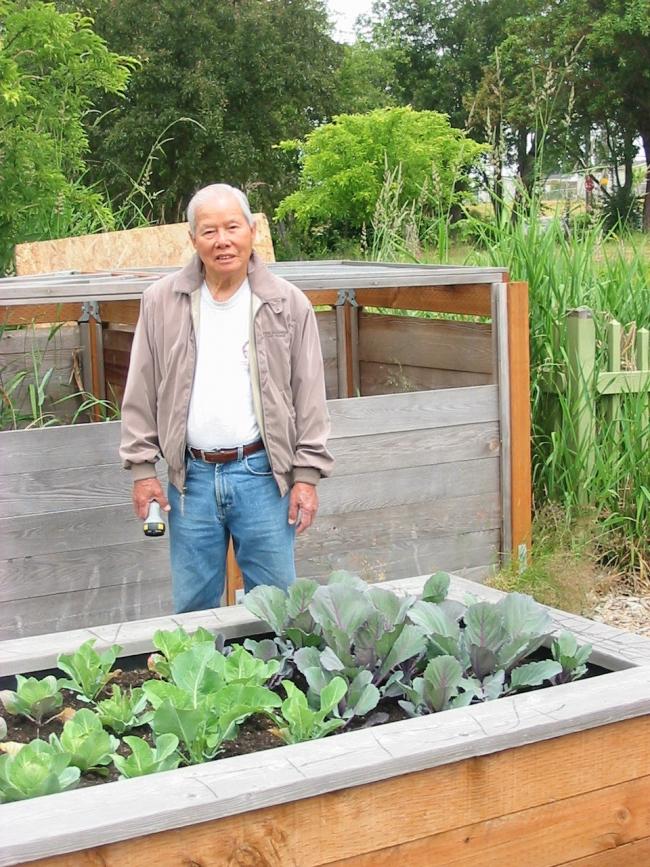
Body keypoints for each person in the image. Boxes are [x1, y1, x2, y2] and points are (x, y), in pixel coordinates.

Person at [119, 183, 333, 612]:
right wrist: (143, 469)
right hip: (190, 480)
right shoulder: (162, 301)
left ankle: (271, 680)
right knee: (193, 606)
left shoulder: (286, 303)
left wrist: (306, 477)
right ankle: (197, 681)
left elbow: (309, 396)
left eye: (233, 227)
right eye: (210, 231)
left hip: (263, 477)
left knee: (277, 607)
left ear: (252, 230)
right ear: (192, 239)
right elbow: (140, 386)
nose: (223, 241)